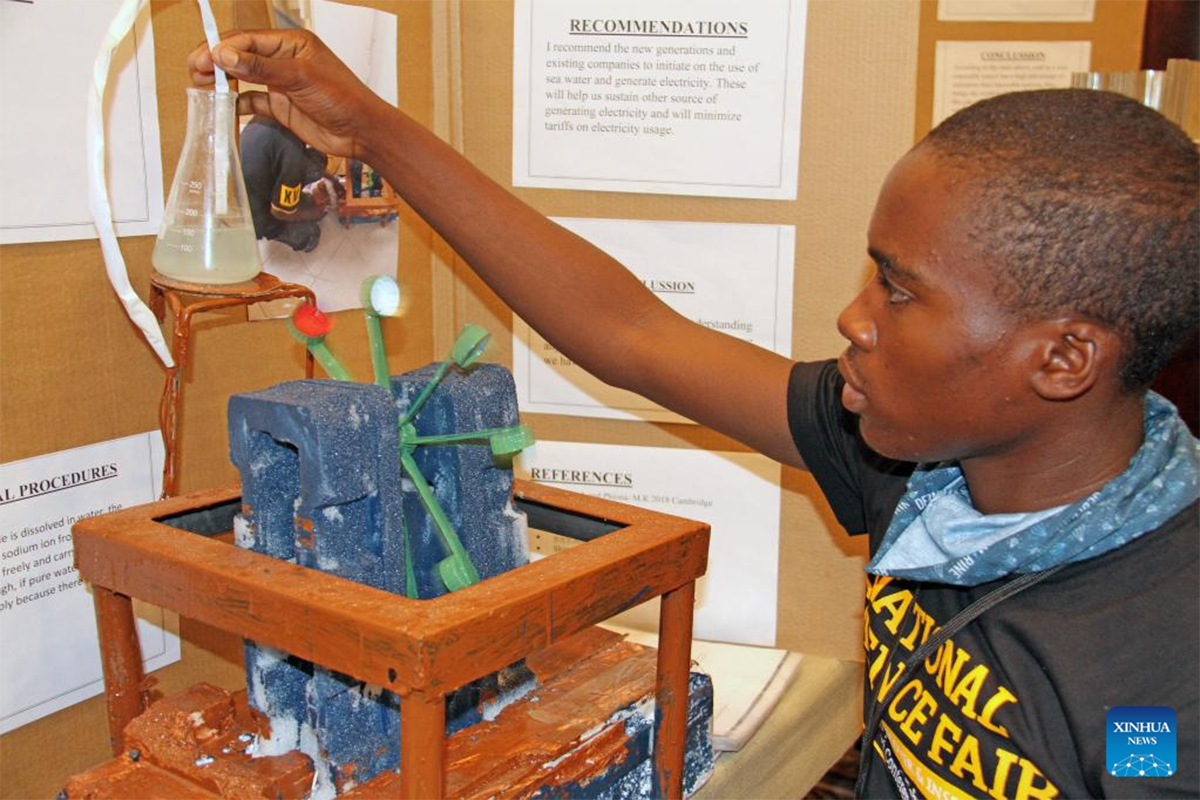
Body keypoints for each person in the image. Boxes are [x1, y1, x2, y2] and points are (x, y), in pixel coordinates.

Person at [190, 30, 1199, 798]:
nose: (853, 316)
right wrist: (366, 124)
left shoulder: (1165, 665)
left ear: (1063, 358)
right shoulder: (921, 464)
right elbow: (629, 331)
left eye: (898, 289)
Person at [240, 114, 340, 252]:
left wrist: (332, 180)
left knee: (318, 160)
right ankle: (286, 234)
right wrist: (314, 212)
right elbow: (279, 213)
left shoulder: (273, 114)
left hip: (255, 180)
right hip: (255, 214)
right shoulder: (293, 155)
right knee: (310, 233)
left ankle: (290, 201)